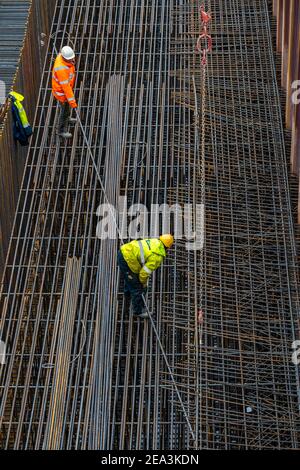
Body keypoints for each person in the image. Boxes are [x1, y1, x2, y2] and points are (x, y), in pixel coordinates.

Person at [117, 235, 174, 319]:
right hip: (127, 260)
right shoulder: (157, 256)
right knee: (137, 287)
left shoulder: (154, 241)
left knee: (131, 280)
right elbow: (144, 273)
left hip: (125, 250)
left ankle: (127, 296)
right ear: (168, 247)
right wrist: (143, 284)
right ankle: (138, 311)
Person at [52, 46, 77, 138]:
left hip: (65, 89)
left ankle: (68, 118)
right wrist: (73, 102)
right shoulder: (61, 69)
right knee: (64, 111)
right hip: (62, 93)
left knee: (67, 109)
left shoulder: (62, 58)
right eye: (70, 59)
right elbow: (66, 88)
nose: (72, 60)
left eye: (72, 58)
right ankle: (61, 131)